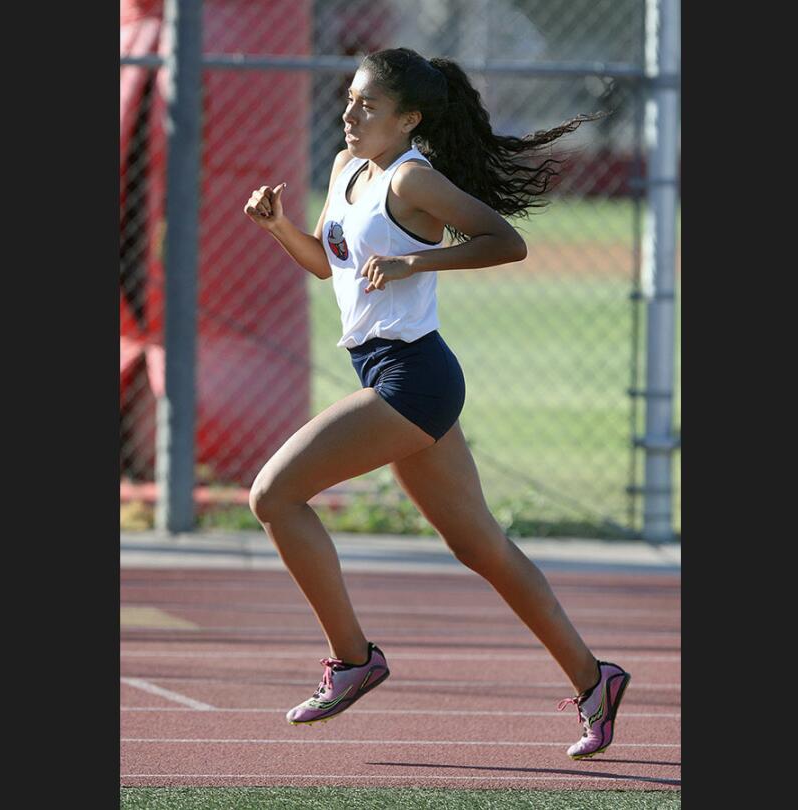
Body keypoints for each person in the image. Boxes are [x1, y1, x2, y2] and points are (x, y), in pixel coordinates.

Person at [240, 46, 628, 760]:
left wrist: (418, 260)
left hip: (413, 378)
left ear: (409, 118)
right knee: (478, 545)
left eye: (368, 105)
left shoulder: (413, 178)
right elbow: (334, 265)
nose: (351, 113)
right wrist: (279, 230)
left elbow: (503, 242)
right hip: (385, 372)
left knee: (274, 495)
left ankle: (353, 659)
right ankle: (594, 679)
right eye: (350, 99)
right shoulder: (345, 166)